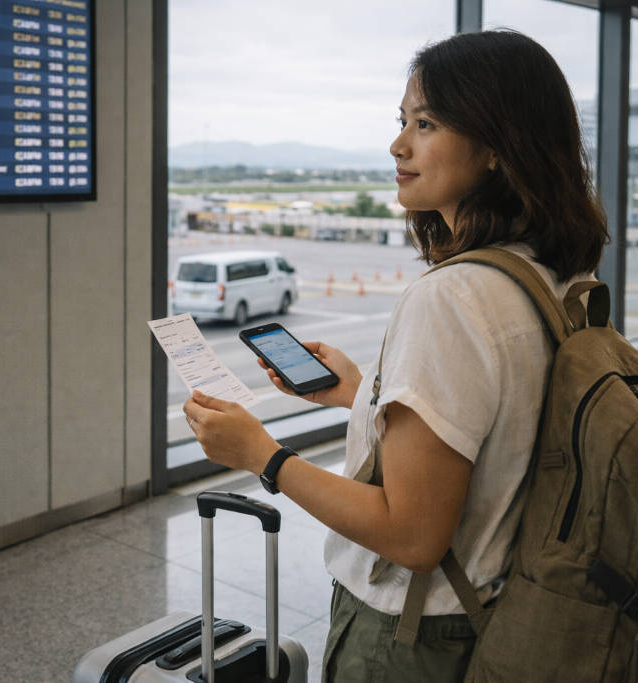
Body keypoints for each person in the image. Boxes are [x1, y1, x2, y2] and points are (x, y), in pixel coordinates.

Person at [182, 29, 608, 682]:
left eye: (427, 122)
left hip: (413, 636)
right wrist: (363, 395)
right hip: (500, 602)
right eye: (403, 120)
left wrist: (261, 455)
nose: (398, 144)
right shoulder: (557, 278)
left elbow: (411, 536)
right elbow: (501, 432)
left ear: (496, 146)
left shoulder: (452, 297)